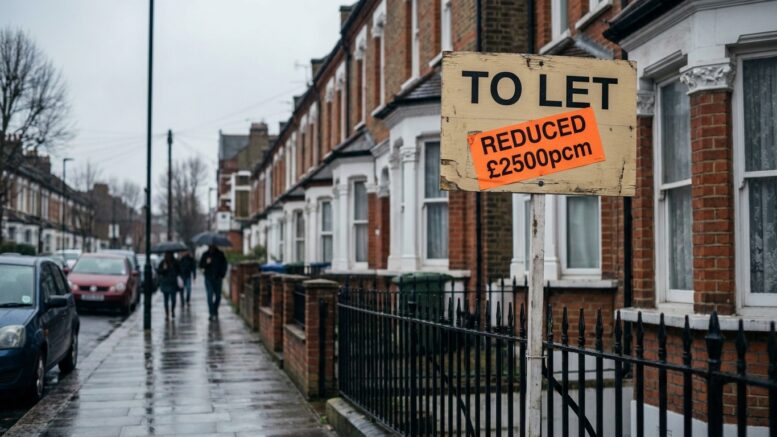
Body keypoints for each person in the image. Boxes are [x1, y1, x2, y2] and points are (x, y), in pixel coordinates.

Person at [199, 245, 227, 320]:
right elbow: (201, 265)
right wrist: (207, 263)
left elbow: (224, 264)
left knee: (218, 296)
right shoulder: (205, 254)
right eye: (210, 246)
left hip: (218, 278)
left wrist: (222, 274)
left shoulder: (220, 254)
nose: (211, 247)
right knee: (209, 295)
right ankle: (211, 313)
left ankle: (215, 310)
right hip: (208, 278)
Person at [157, 251, 181, 320]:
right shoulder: (163, 262)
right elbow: (159, 271)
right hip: (165, 283)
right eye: (167, 254)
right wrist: (164, 269)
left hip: (173, 283)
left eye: (169, 254)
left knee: (173, 299)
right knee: (166, 300)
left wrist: (176, 273)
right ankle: (167, 314)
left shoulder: (175, 262)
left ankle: (172, 310)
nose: (168, 256)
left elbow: (179, 271)